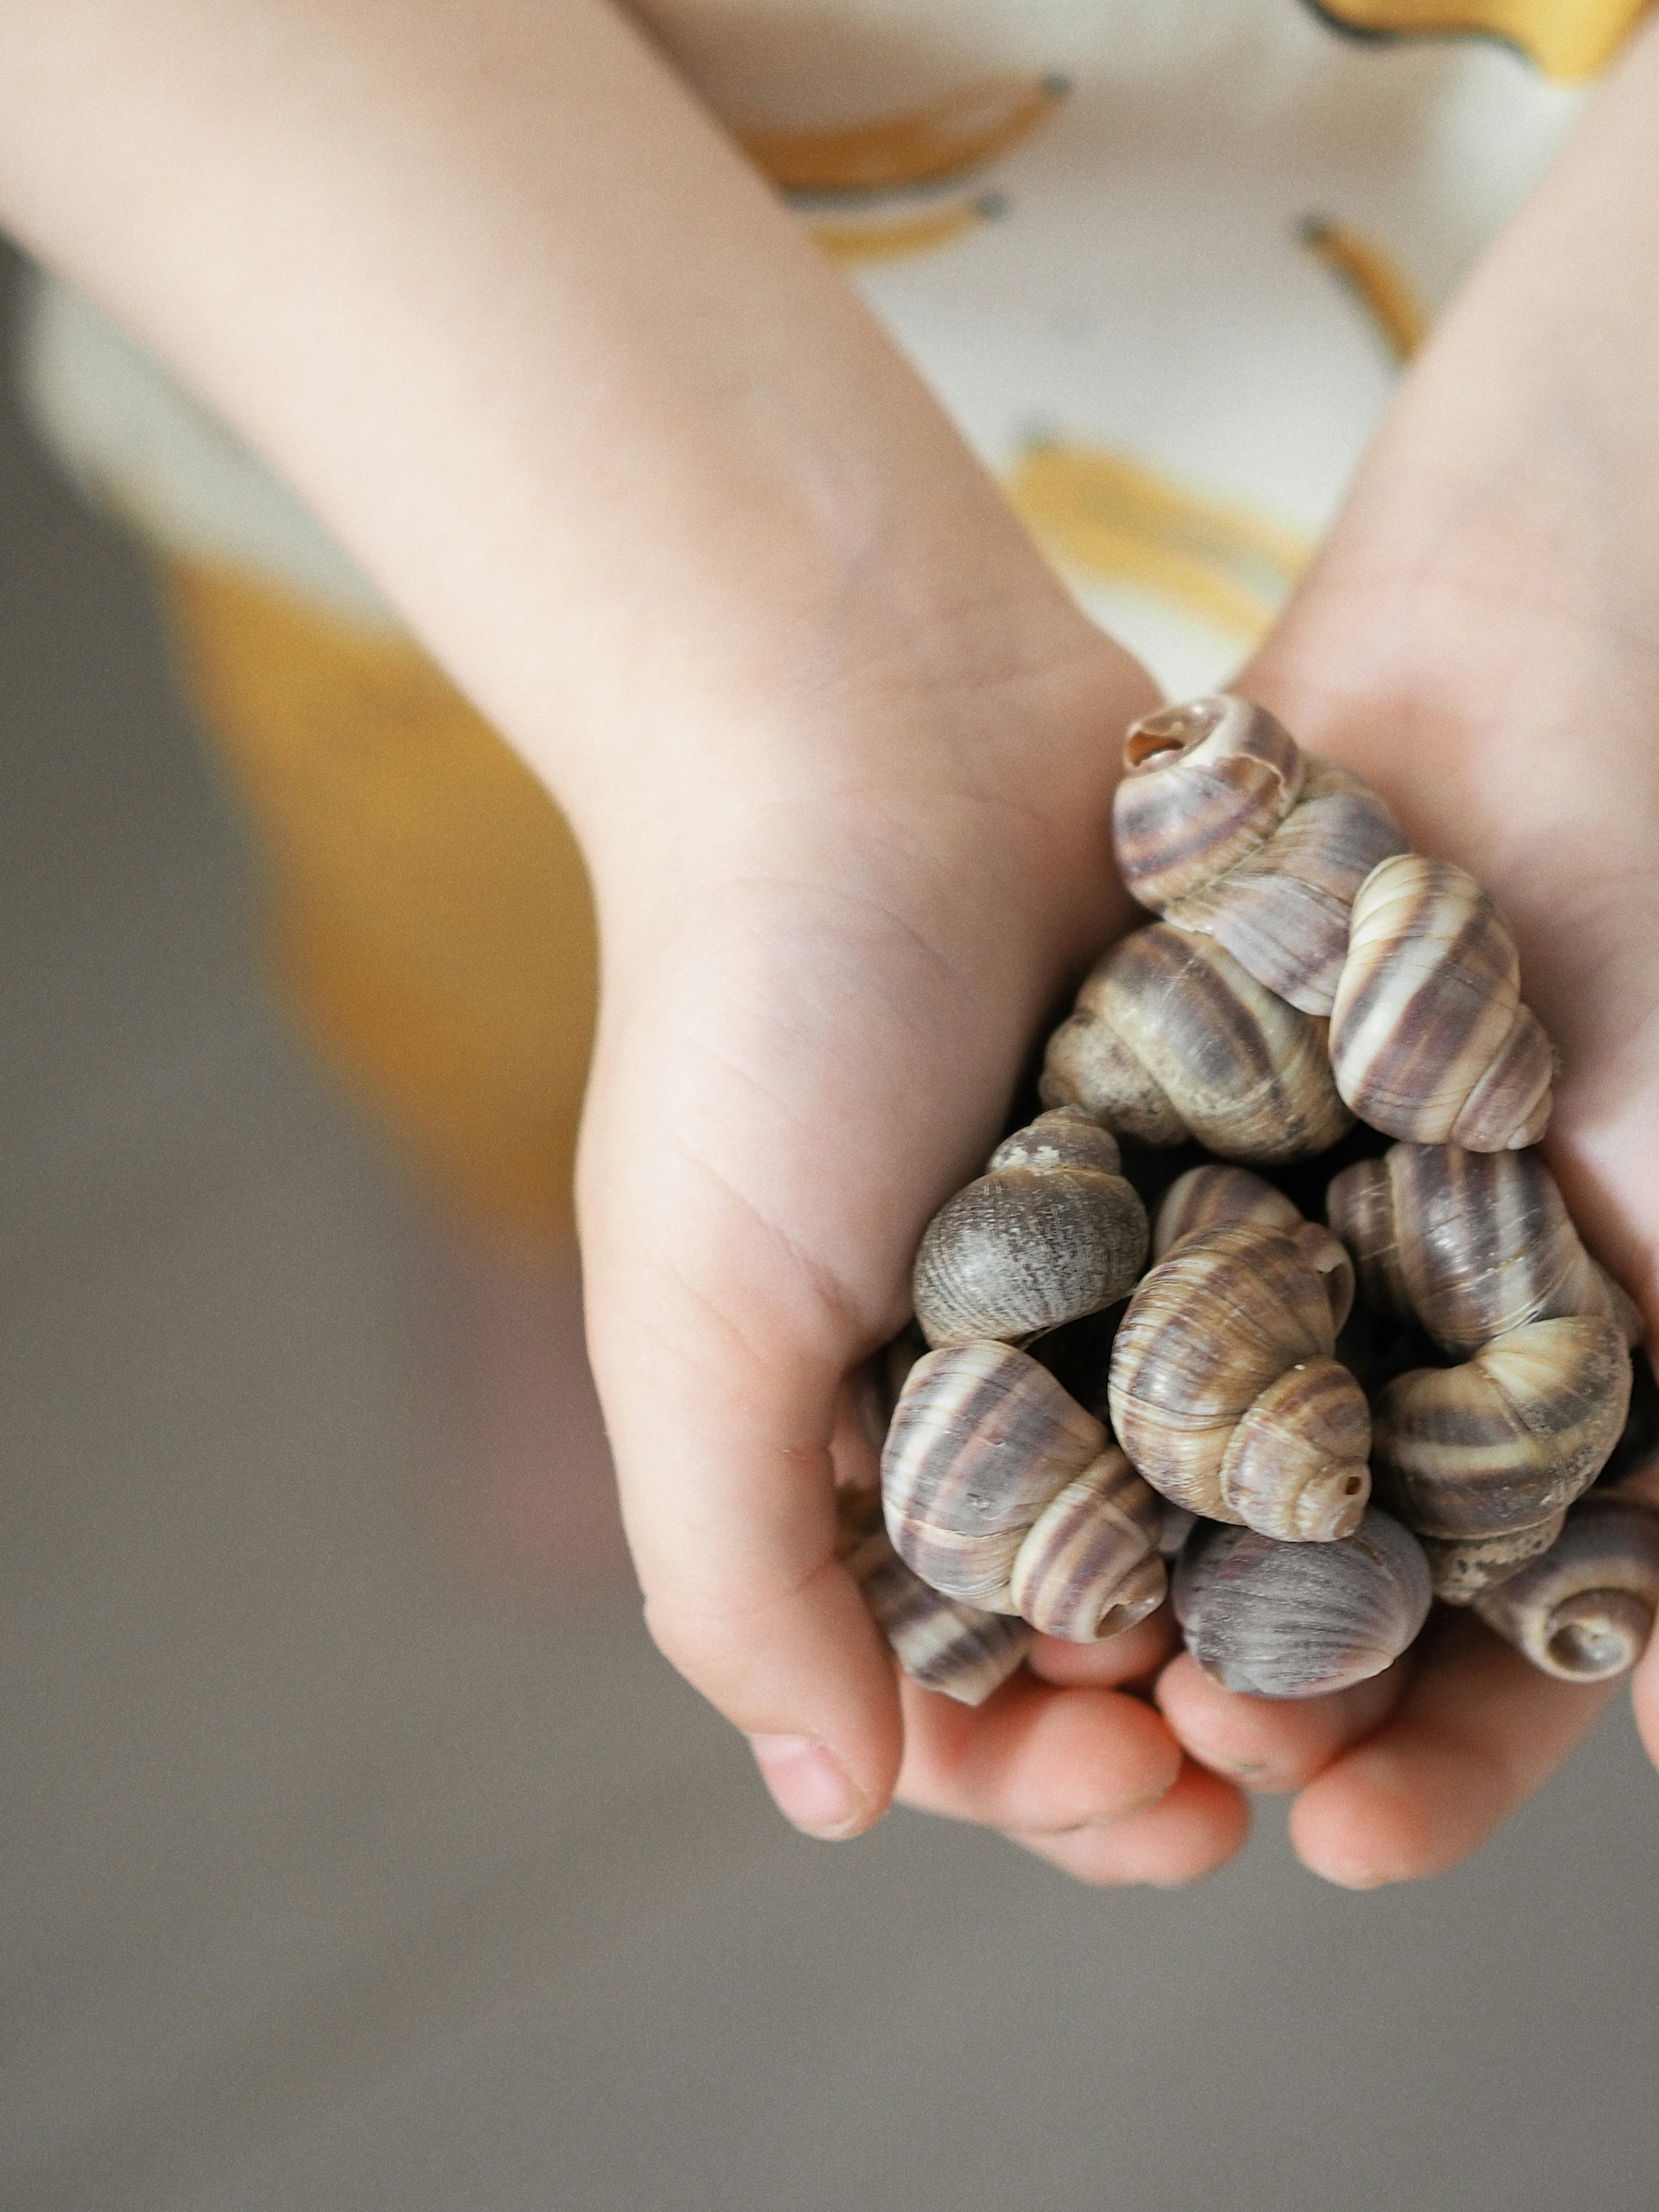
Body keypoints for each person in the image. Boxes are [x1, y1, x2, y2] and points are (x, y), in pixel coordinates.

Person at [3, 0, 1657, 1891]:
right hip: (491, 465)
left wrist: (1611, 545)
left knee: (676, 1161)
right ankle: (509, 1203)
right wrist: (778, 693)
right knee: (488, 980)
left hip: (1492, 357)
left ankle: (554, 1246)